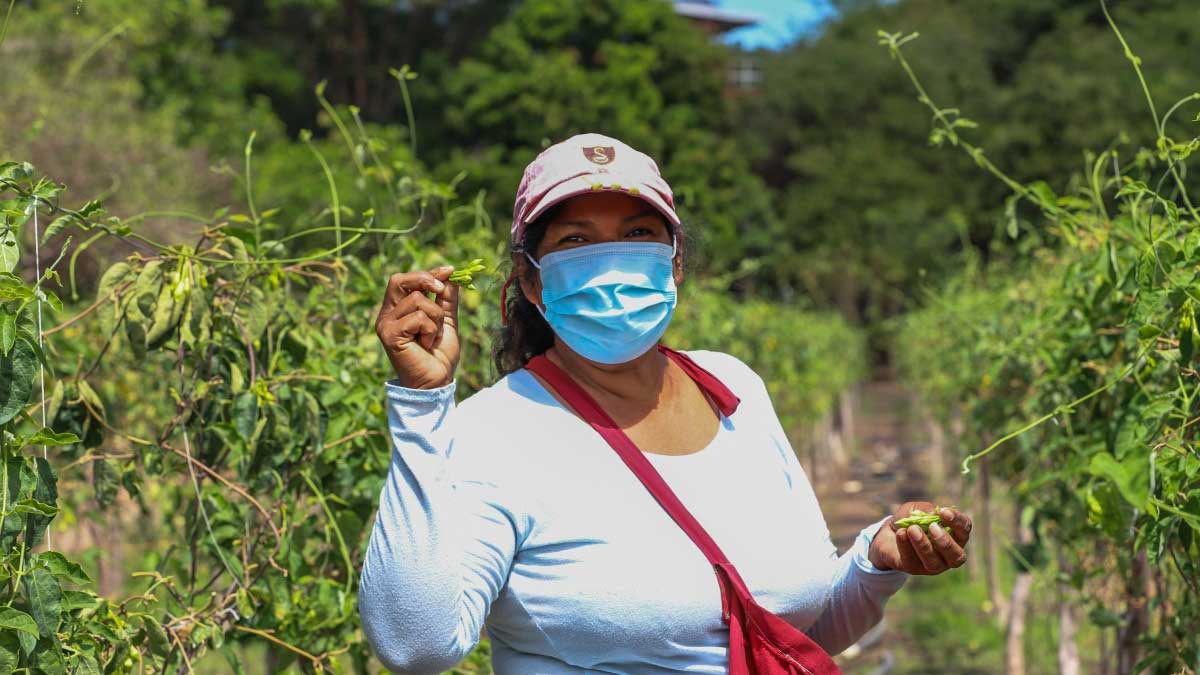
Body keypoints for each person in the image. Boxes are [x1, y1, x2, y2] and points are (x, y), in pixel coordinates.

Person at [360, 133, 972, 674]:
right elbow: (417, 646)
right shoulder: (493, 431)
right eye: (576, 240)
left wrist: (874, 561)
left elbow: (789, 634)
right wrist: (422, 406)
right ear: (531, 280)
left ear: (673, 262)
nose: (611, 261)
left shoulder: (733, 389)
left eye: (637, 234)